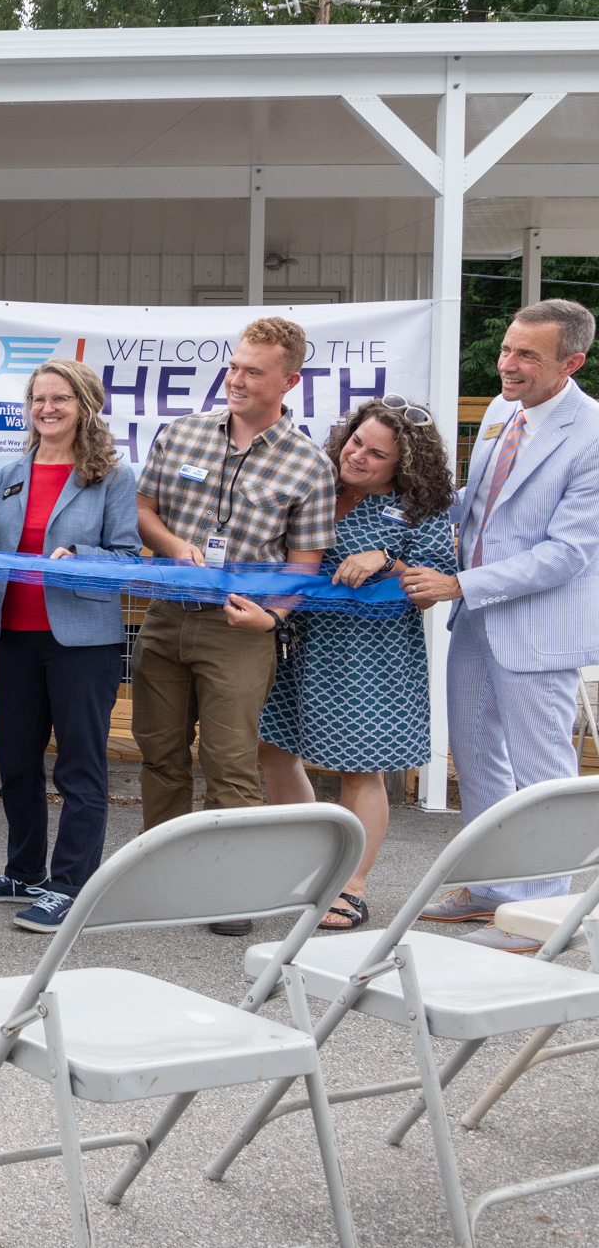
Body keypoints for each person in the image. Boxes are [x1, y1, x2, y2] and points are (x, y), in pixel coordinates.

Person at [399, 298, 599, 931]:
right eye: (507, 348)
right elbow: (480, 504)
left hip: (537, 628)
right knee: (477, 754)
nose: (506, 365)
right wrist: (403, 510)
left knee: (543, 772)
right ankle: (490, 887)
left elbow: (567, 554)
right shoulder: (500, 410)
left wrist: (458, 584)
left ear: (573, 362)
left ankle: (540, 915)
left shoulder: (593, 436)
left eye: (526, 356)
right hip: (479, 618)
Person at [133, 315, 335, 936]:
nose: (237, 379)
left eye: (253, 371)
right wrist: (171, 545)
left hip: (240, 631)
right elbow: (144, 510)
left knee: (229, 763)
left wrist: (271, 618)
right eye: (234, 365)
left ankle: (229, 890)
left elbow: (305, 564)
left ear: (289, 381)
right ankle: (161, 878)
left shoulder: (309, 465)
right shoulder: (182, 434)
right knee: (160, 754)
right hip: (166, 618)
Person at [256, 397, 457, 931]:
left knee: (359, 769)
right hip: (294, 642)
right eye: (355, 442)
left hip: (369, 657)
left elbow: (431, 588)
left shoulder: (421, 510)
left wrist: (388, 562)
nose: (358, 456)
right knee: (273, 751)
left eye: (377, 454)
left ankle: (352, 886)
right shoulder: (316, 483)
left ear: (403, 466)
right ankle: (308, 868)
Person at [0, 359, 139, 933]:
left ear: (84, 405)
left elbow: (129, 560)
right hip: (15, 638)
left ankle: (69, 887)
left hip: (81, 643)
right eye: (38, 399)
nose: (46, 409)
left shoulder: (111, 476)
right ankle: (23, 872)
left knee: (79, 769)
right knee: (15, 762)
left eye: (59, 399)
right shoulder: (12, 471)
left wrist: (81, 559)